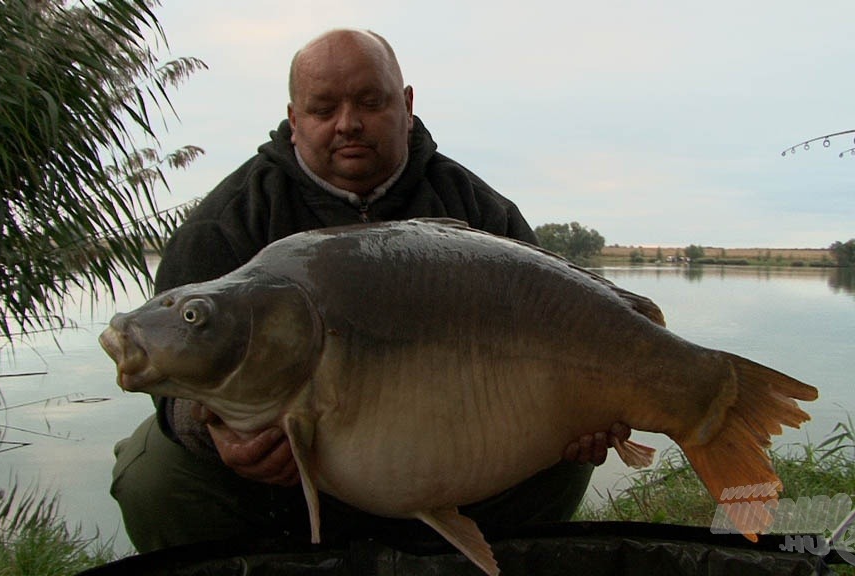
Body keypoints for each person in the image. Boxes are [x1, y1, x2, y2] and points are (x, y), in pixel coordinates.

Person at [111, 28, 631, 554]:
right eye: (323, 108)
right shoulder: (228, 224)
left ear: (406, 106)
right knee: (152, 476)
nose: (347, 123)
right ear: (294, 120)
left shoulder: (482, 214)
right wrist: (214, 433)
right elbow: (174, 379)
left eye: (369, 101)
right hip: (281, 487)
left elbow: (563, 332)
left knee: (560, 462)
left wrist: (582, 416)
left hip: (456, 460)